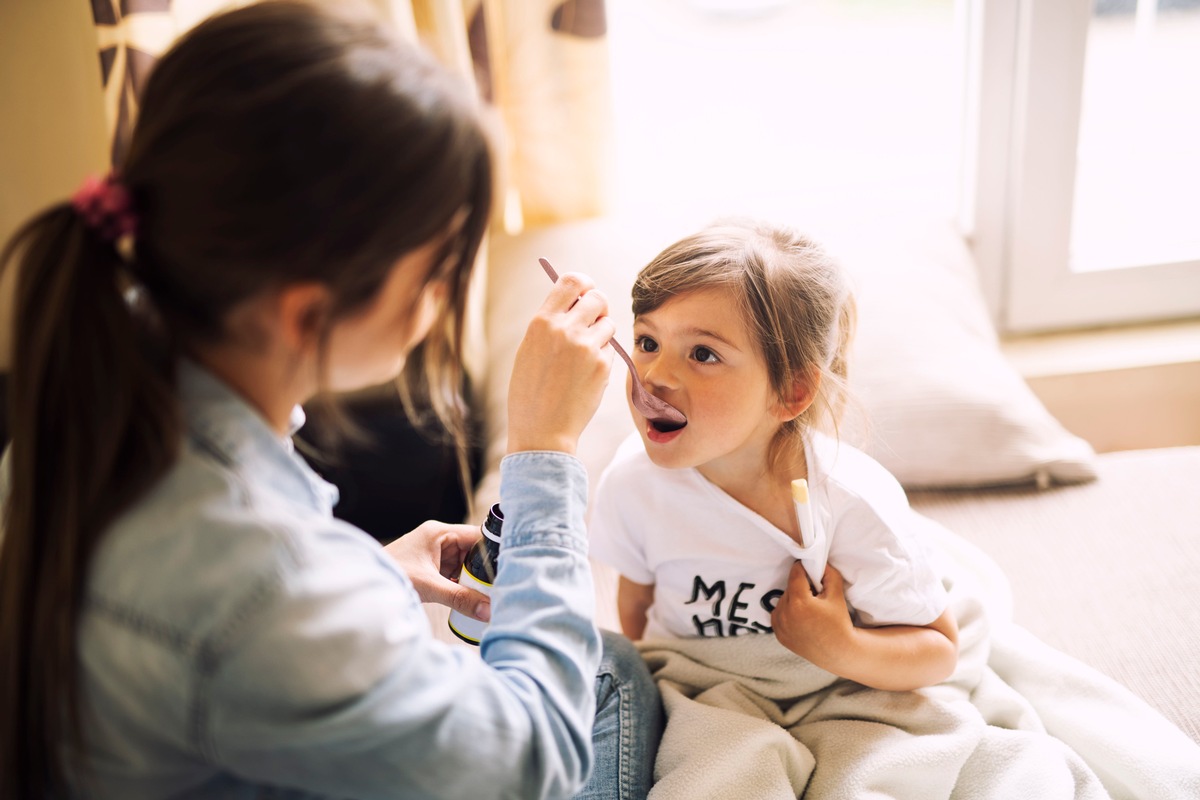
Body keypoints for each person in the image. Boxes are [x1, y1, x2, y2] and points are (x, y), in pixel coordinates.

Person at [0, 2, 661, 798]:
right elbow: (535, 766)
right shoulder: (260, 577)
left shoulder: (103, 371)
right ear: (308, 313)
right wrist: (545, 451)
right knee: (608, 679)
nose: (449, 295)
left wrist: (369, 573)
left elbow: (217, 623)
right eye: (437, 272)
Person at [589, 219, 959, 692]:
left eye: (702, 354)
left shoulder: (855, 505)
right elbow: (637, 610)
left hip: (826, 685)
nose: (655, 376)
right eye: (648, 342)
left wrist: (841, 647)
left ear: (791, 391)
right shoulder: (630, 483)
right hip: (694, 687)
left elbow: (939, 652)